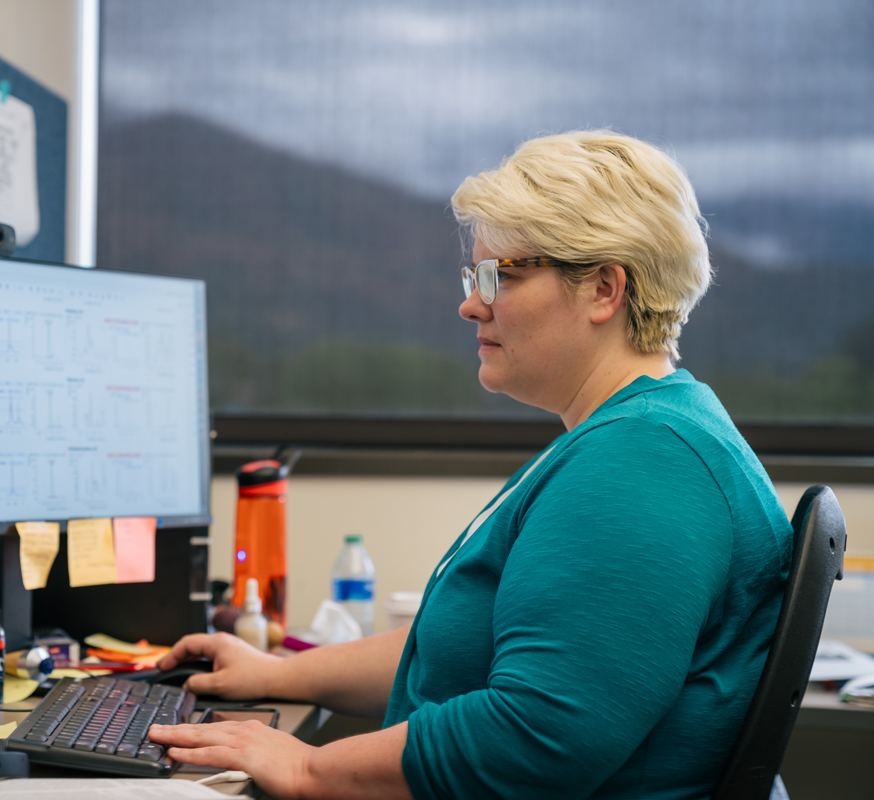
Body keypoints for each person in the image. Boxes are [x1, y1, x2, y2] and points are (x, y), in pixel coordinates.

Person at [147, 131, 792, 799]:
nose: (470, 304)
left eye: (501, 276)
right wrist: (275, 673)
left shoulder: (646, 464)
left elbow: (538, 737)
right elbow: (467, 648)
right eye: (473, 276)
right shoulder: (637, 434)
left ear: (604, 289)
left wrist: (308, 768)